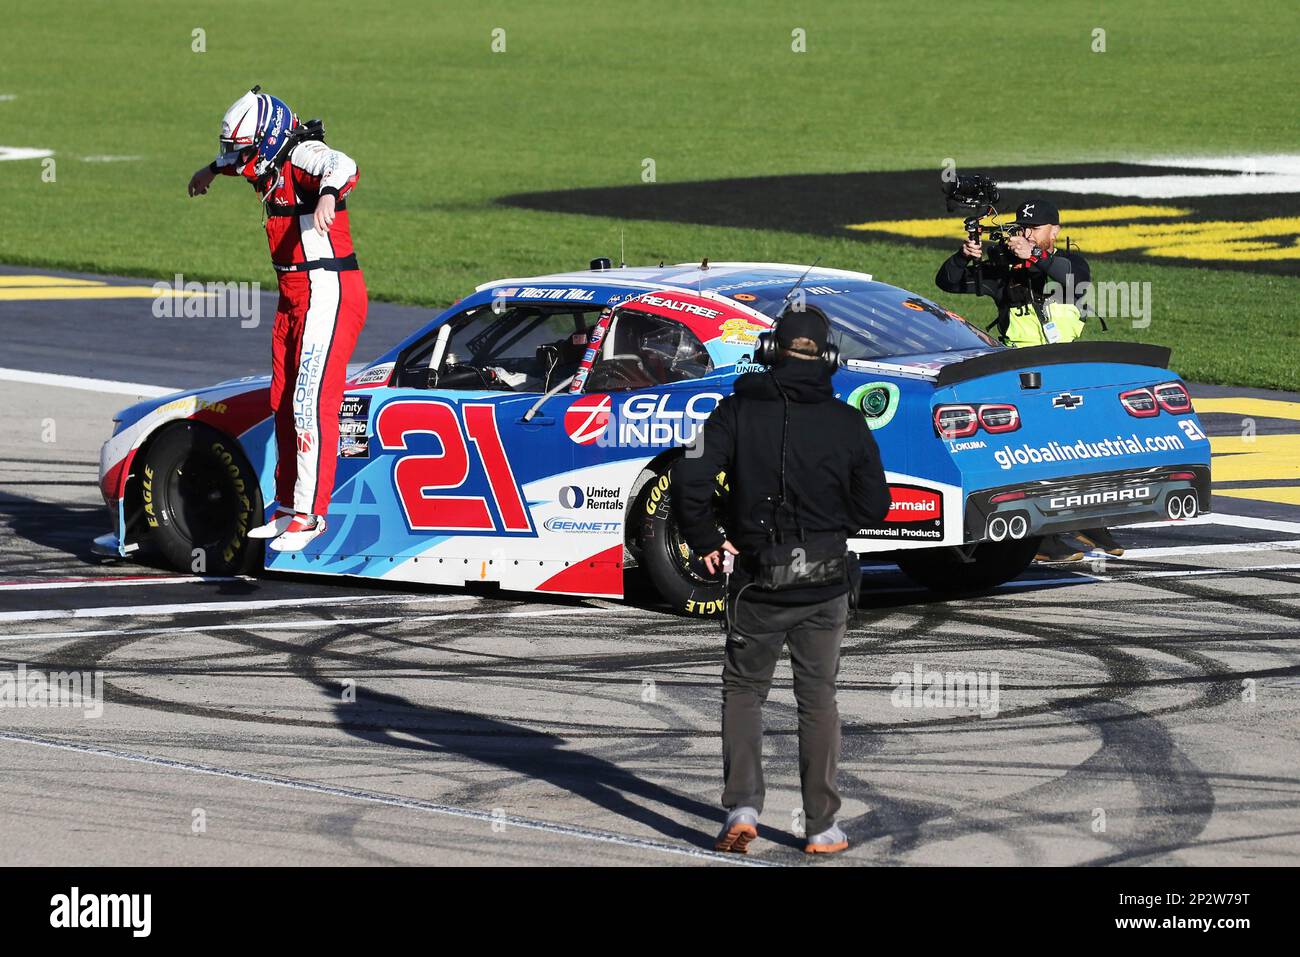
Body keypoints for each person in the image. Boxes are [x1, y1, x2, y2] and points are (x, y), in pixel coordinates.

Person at [673, 307, 890, 856]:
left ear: (770, 351)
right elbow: (876, 504)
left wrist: (705, 541)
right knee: (817, 699)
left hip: (757, 582)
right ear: (830, 358)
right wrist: (829, 518)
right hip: (825, 581)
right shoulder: (847, 421)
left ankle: (742, 807)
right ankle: (821, 827)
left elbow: (688, 476)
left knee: (744, 690)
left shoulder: (736, 410)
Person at [187, 86, 367, 551]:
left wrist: (327, 195)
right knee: (283, 399)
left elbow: (342, 164)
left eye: (244, 149)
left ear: (267, 139)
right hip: (293, 297)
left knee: (310, 402)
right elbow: (231, 160)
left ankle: (310, 515)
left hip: (328, 292)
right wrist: (209, 170)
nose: (238, 159)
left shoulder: (304, 154)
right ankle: (287, 506)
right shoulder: (261, 161)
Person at [935, 199, 1123, 561]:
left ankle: (1087, 520)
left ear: (1054, 230)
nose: (1025, 234)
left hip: (1064, 366)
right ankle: (1042, 538)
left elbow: (1073, 279)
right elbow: (947, 281)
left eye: (1034, 229)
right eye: (1021, 228)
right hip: (1018, 370)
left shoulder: (1069, 263)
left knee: (1085, 444)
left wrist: (1034, 255)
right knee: (1037, 454)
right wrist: (964, 256)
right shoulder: (1006, 267)